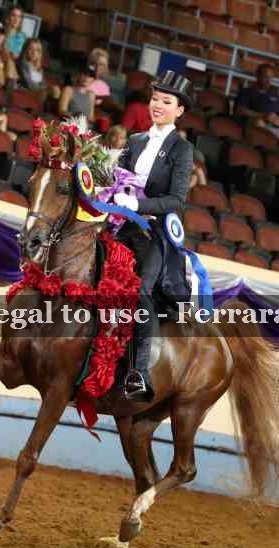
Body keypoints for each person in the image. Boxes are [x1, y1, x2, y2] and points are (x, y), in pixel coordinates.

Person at [111, 71, 194, 401]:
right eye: (155, 98)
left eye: (166, 101)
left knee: (140, 290)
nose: (158, 105)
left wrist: (138, 204)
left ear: (179, 110)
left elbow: (176, 200)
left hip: (155, 233)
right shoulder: (134, 141)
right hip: (123, 225)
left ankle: (139, 371)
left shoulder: (182, 150)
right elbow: (116, 178)